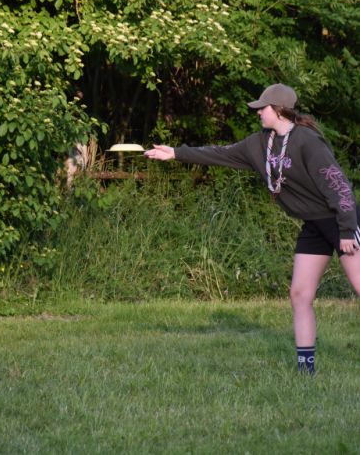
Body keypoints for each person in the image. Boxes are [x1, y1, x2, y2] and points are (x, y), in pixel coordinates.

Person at [144, 83, 360, 374]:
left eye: (262, 107)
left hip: (340, 220)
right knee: (299, 295)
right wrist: (175, 153)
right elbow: (220, 153)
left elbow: (339, 186)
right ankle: (306, 370)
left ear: (279, 110)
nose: (258, 112)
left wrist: (346, 230)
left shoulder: (308, 141)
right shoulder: (259, 143)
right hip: (313, 224)